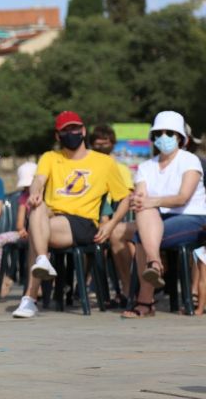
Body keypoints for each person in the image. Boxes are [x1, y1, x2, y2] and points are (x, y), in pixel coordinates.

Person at [12, 111, 130, 319]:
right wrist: (35, 193)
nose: (71, 133)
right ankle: (41, 260)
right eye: (65, 130)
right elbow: (38, 181)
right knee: (38, 208)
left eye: (75, 128)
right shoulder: (50, 157)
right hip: (52, 221)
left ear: (83, 131)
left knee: (36, 229)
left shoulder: (105, 163)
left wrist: (111, 225)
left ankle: (30, 297)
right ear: (58, 136)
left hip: (84, 222)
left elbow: (124, 198)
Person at [120, 111, 206, 318]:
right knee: (143, 209)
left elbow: (182, 198)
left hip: (194, 218)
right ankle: (155, 263)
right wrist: (144, 200)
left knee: (141, 235)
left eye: (170, 133)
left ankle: (146, 300)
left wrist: (151, 200)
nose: (163, 137)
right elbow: (140, 196)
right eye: (159, 133)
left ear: (180, 138)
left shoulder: (189, 160)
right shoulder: (145, 167)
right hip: (159, 219)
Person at [89, 124, 135, 307]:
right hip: (91, 215)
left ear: (113, 144)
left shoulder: (121, 169)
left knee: (117, 237)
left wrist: (109, 220)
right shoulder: (87, 166)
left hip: (116, 218)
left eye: (105, 143)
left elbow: (126, 198)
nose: (101, 147)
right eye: (97, 144)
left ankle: (128, 287)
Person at [0, 162, 36, 297]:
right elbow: (20, 221)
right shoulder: (23, 198)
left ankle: (40, 282)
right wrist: (21, 228)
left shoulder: (47, 197)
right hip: (25, 233)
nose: (28, 188)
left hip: (43, 235)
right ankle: (4, 274)